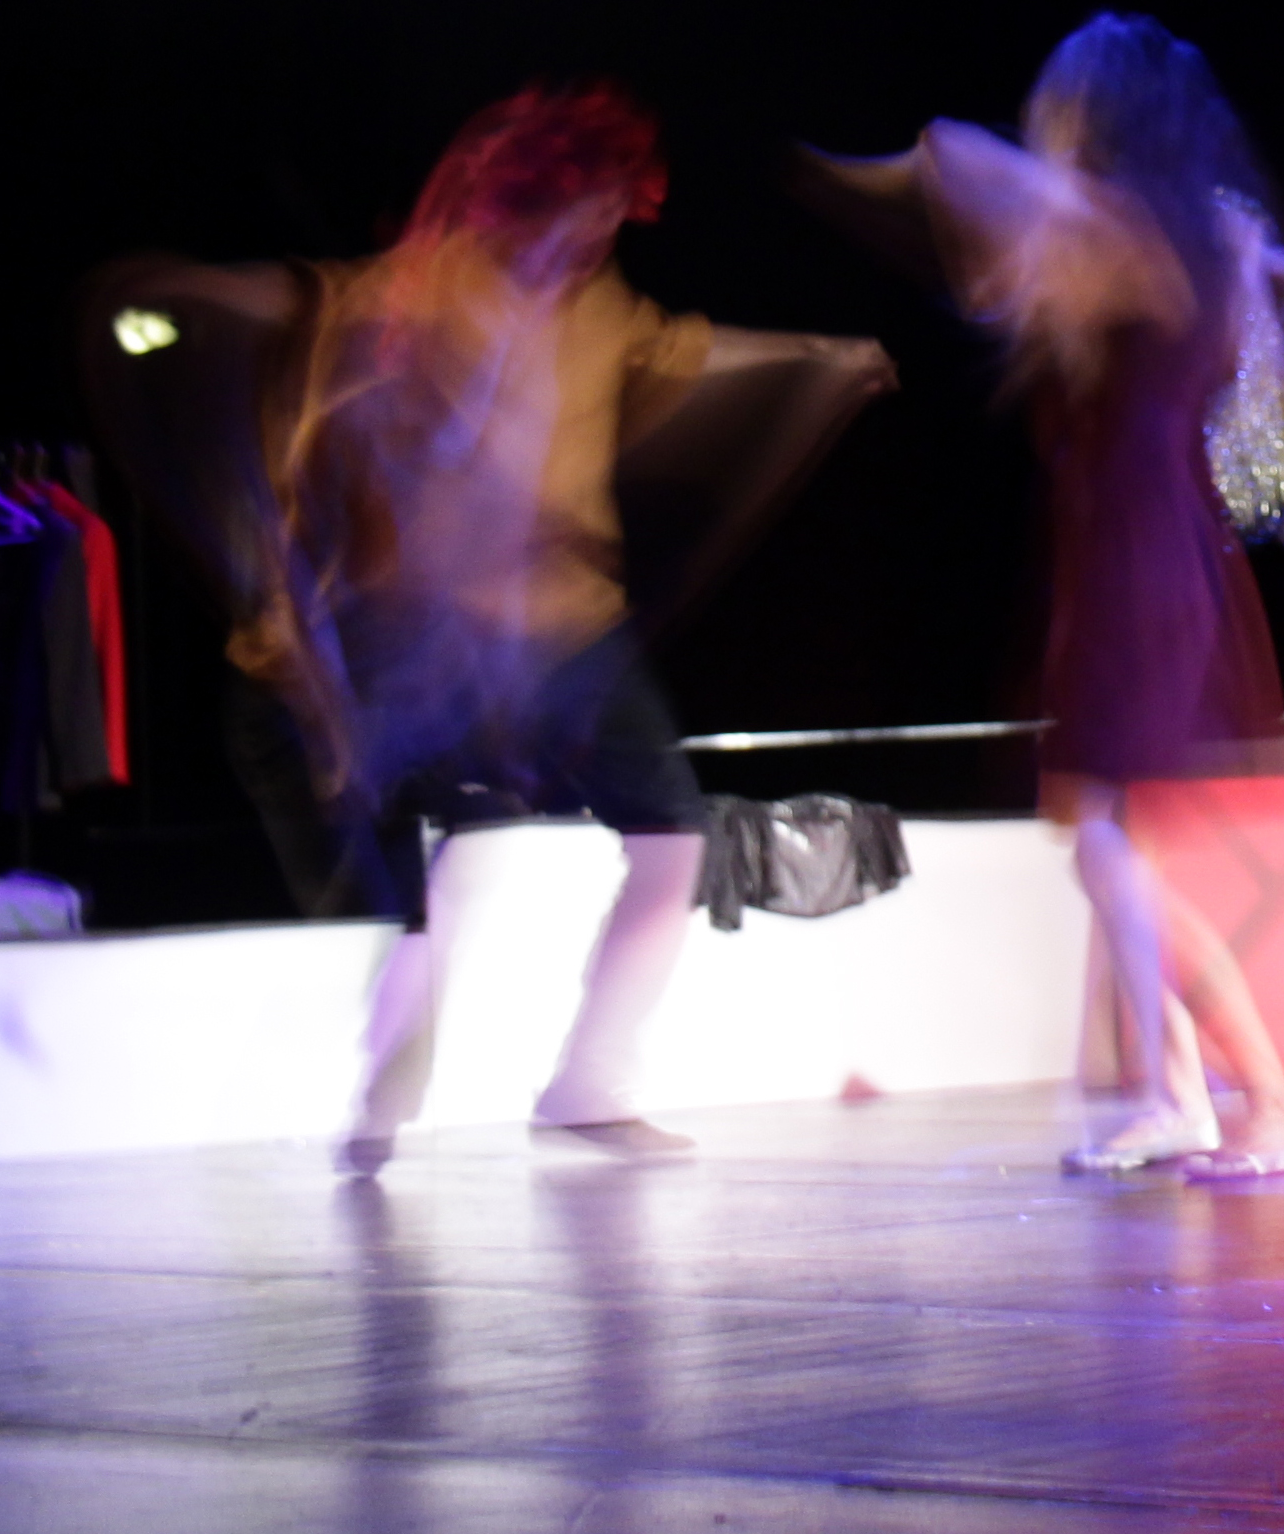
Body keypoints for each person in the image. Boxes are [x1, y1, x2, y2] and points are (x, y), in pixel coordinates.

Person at [254, 84, 893, 1171]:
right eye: (584, 212)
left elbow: (677, 351)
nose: (599, 235)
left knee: (672, 838)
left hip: (568, 625)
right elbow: (326, 394)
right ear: (530, 195)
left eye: (612, 216)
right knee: (462, 855)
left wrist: (810, 356)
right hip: (439, 626)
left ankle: (589, 1083)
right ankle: (382, 1090)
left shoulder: (598, 302)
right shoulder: (423, 291)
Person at [820, 15, 1284, 1178]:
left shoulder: (1142, 234)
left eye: (1058, 109)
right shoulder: (1159, 237)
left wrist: (919, 155)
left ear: (1093, 117)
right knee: (1106, 846)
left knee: (1107, 846)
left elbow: (966, 164)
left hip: (1139, 559)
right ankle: (1183, 1100)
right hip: (1123, 554)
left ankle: (1261, 1104)